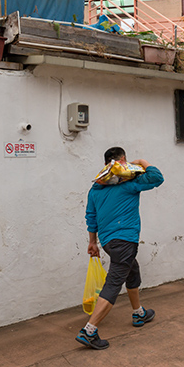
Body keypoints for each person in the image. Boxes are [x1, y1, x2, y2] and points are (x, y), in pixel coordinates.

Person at [76, 146, 164, 350]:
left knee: (132, 270)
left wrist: (92, 242)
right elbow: (157, 177)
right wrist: (142, 161)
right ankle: (89, 331)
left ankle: (138, 312)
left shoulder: (96, 189)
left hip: (109, 242)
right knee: (114, 282)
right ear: (122, 161)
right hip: (125, 240)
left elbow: (91, 217)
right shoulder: (130, 183)